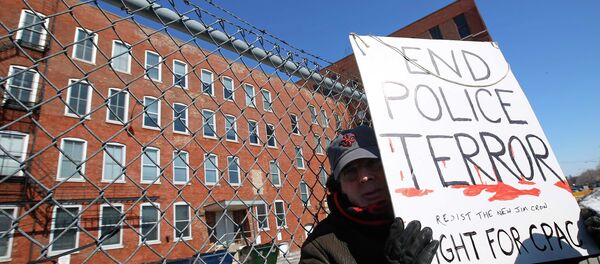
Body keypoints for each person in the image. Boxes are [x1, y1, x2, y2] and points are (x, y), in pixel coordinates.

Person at [300, 125, 439, 264]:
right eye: (350, 171)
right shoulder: (320, 246)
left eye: (373, 163)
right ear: (340, 186)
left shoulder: (428, 208)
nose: (364, 177)